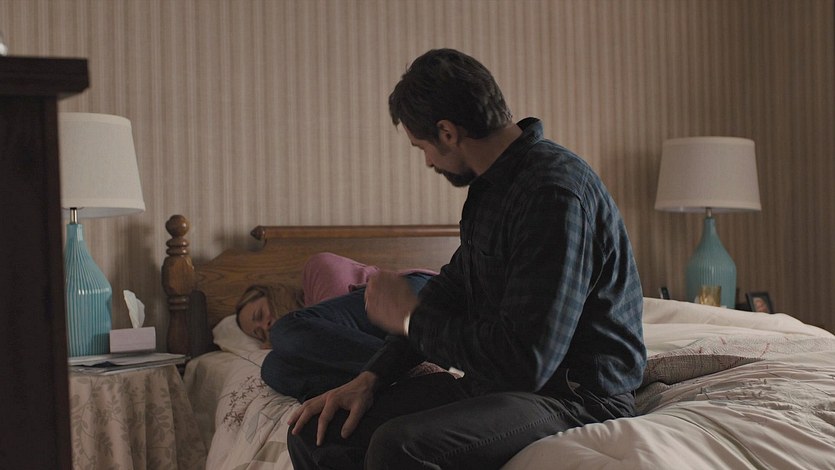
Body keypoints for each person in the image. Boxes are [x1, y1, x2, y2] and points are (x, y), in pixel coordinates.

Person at [287, 48, 647, 469]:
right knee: (316, 431)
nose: (427, 161)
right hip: (499, 385)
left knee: (398, 446)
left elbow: (527, 362)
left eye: (422, 147)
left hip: (575, 395)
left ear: (447, 133)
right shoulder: (493, 188)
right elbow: (452, 289)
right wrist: (369, 378)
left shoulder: (553, 194)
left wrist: (411, 319)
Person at [235, 275, 434, 402]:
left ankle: (421, 366)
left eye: (260, 315)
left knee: (283, 331)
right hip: (380, 343)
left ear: (274, 294)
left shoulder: (316, 270)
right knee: (272, 368)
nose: (266, 326)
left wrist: (288, 334)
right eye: (259, 333)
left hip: (410, 294)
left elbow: (326, 327)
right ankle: (401, 381)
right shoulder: (295, 339)